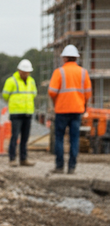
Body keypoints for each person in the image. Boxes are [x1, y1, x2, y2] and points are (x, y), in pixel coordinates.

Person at [48, 44, 92, 174]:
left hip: (61, 110)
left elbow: (52, 91)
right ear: (76, 58)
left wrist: (56, 101)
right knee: (74, 139)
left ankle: (59, 166)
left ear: (65, 58)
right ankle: (72, 167)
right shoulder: (83, 73)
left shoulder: (59, 72)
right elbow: (88, 93)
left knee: (60, 138)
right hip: (77, 109)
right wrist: (84, 105)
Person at [2, 59, 37, 166]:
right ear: (19, 70)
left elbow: (34, 94)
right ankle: (12, 158)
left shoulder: (31, 81)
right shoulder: (11, 81)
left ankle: (23, 159)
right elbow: (5, 95)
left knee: (25, 138)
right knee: (15, 136)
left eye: (28, 72)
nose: (26, 74)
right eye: (24, 72)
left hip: (28, 113)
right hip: (16, 114)